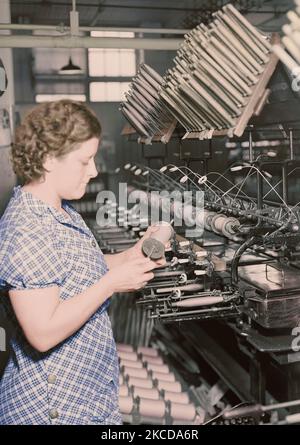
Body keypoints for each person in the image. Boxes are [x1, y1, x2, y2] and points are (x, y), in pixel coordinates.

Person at [0, 99, 163, 425]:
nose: (94, 171)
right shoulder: (27, 229)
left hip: (84, 396)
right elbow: (42, 332)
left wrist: (130, 256)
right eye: (84, 161)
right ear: (48, 160)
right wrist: (111, 284)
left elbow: (72, 267)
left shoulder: (57, 210)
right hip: (52, 409)